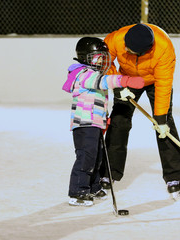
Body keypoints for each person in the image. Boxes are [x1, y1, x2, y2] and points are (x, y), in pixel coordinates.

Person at [99, 23, 180, 199]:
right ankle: (109, 172)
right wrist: (117, 85)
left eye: (129, 50)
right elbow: (105, 59)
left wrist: (160, 119)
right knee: (119, 121)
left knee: (164, 125)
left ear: (144, 51)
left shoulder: (163, 49)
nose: (124, 49)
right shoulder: (118, 37)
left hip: (154, 81)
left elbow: (163, 85)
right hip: (128, 79)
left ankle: (174, 176)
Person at [63, 37, 144, 206]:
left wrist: (103, 120)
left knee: (97, 157)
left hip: (94, 123)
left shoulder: (93, 73)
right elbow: (102, 82)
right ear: (86, 57)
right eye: (98, 56)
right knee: (86, 157)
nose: (102, 60)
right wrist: (124, 80)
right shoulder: (84, 74)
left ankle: (93, 186)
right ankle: (78, 191)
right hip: (84, 124)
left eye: (102, 56)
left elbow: (97, 101)